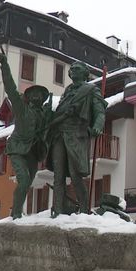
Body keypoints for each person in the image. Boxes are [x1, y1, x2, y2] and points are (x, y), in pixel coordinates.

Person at [47, 62, 107, 216]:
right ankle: (58, 210)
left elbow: (100, 111)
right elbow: (60, 112)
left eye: (77, 69)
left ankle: (84, 210)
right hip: (59, 135)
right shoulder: (67, 91)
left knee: (76, 175)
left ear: (85, 73)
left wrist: (98, 126)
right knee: (58, 175)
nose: (73, 70)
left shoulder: (91, 90)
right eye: (71, 69)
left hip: (77, 134)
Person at [0, 52, 52, 219]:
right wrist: (4, 65)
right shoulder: (22, 109)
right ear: (28, 98)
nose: (37, 96)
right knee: (23, 181)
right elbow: (10, 88)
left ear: (43, 98)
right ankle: (15, 214)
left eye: (40, 95)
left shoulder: (45, 113)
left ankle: (17, 210)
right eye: (33, 94)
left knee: (27, 183)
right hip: (18, 148)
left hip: (33, 153)